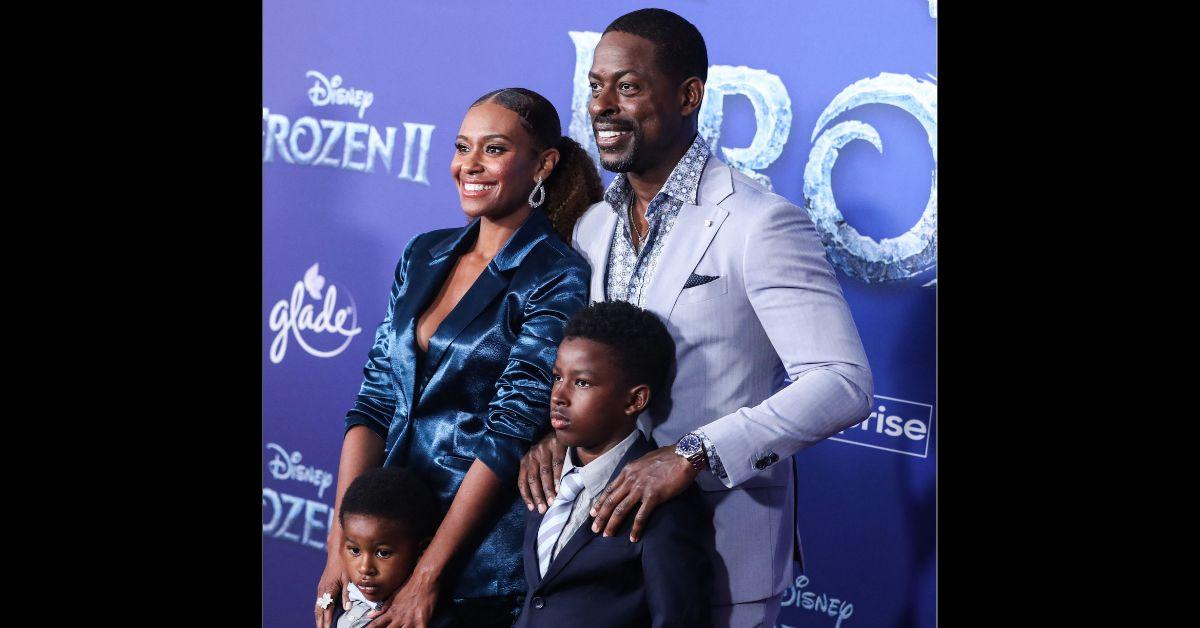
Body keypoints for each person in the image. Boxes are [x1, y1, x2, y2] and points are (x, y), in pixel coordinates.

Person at [516, 9, 873, 628]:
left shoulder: (760, 223)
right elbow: (597, 370)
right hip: (601, 562)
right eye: (596, 85)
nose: (603, 104)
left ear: (689, 95)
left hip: (719, 551)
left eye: (627, 86)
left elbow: (842, 382)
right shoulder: (594, 226)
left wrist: (692, 454)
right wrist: (558, 435)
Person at [316, 87, 603, 628]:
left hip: (473, 561)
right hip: (382, 546)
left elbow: (510, 432)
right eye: (461, 146)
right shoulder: (425, 252)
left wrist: (428, 574)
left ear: (542, 164)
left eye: (493, 149)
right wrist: (342, 542)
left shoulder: (556, 274)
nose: (469, 165)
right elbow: (375, 401)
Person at [516, 301, 712, 628]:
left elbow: (679, 619)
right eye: (557, 377)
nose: (558, 396)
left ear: (635, 400)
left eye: (582, 383)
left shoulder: (660, 499)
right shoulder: (545, 473)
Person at [329, 467, 457, 628]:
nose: (365, 568)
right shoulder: (340, 602)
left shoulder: (429, 620)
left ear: (422, 551)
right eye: (355, 550)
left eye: (383, 553)